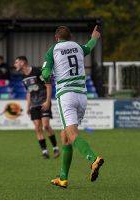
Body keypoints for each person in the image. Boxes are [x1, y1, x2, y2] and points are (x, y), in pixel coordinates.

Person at [41, 25, 104, 188]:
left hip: (66, 96)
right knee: (65, 136)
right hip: (82, 96)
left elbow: (46, 74)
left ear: (56, 38)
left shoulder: (53, 50)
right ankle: (63, 178)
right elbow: (89, 47)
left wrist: (45, 76)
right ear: (70, 36)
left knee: (72, 134)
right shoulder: (77, 47)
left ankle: (93, 158)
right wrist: (94, 37)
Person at [14, 56, 60, 159]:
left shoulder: (37, 71)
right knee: (37, 128)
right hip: (34, 105)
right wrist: (28, 106)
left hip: (44, 102)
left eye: (16, 62)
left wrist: (48, 101)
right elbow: (29, 92)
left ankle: (55, 148)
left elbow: (48, 85)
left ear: (22, 62)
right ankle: (45, 152)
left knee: (46, 126)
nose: (15, 65)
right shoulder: (23, 77)